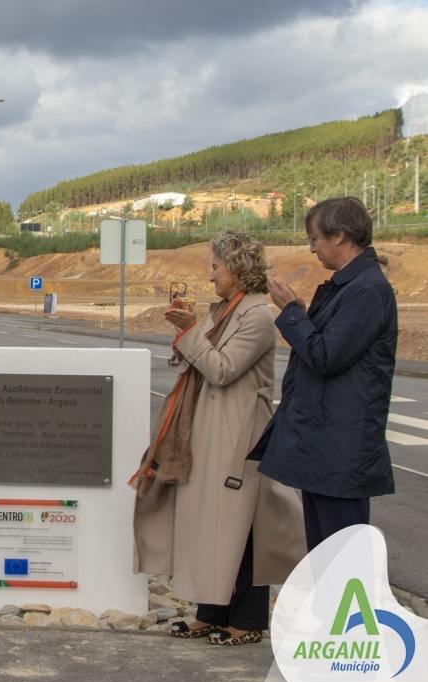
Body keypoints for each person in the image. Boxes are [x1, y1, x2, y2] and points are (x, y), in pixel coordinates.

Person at [134, 230, 305, 646]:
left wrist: (191, 331)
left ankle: (247, 621)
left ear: (237, 269)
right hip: (208, 431)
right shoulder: (224, 310)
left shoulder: (259, 317)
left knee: (241, 528)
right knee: (210, 525)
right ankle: (210, 613)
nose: (210, 276)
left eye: (215, 266)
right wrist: (185, 334)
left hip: (237, 435)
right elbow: (196, 360)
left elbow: (223, 369)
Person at [256, 197, 397, 550]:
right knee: (325, 560)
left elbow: (325, 356)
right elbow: (324, 345)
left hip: (339, 451)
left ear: (339, 236)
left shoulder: (366, 290)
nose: (312, 249)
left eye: (314, 238)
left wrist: (290, 312)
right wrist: (300, 313)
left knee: (342, 565)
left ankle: (344, 609)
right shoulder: (350, 286)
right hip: (327, 449)